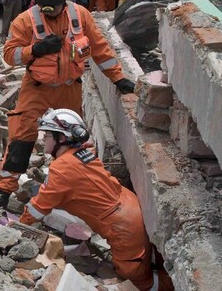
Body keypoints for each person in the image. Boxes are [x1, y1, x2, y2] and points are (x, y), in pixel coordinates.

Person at [0, 0, 136, 207]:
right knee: (21, 135)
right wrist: (34, 50)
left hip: (69, 88)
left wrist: (118, 79)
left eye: (53, 5)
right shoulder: (25, 20)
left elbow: (100, 50)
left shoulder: (80, 16)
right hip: (37, 87)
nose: (48, 10)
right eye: (43, 4)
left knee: (70, 140)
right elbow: (9, 55)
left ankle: (67, 188)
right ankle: (4, 189)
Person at [19, 109, 172, 291]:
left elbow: (38, 208)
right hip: (131, 210)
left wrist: (18, 228)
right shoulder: (82, 154)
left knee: (139, 283)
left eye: (47, 134)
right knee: (153, 262)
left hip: (123, 228)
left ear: (61, 138)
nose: (43, 138)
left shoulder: (61, 168)